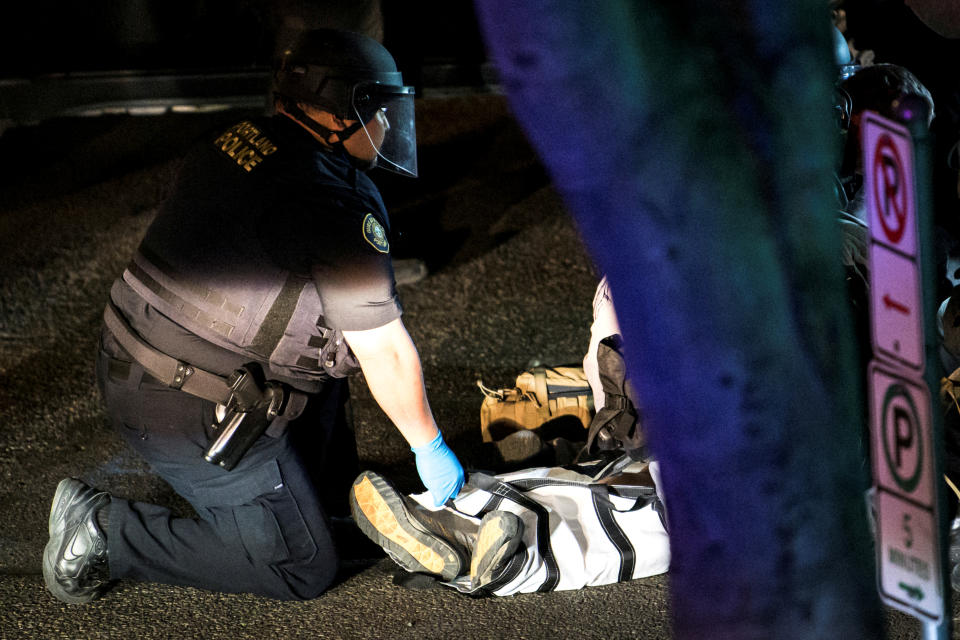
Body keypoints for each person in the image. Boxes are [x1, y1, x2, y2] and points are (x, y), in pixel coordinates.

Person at [42, 28, 464, 604]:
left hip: (140, 360)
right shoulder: (334, 201)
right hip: (191, 406)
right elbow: (384, 349)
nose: (388, 125)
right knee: (300, 567)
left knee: (324, 344)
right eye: (379, 109)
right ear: (343, 113)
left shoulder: (243, 139)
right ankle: (105, 534)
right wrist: (429, 446)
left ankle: (320, 502)